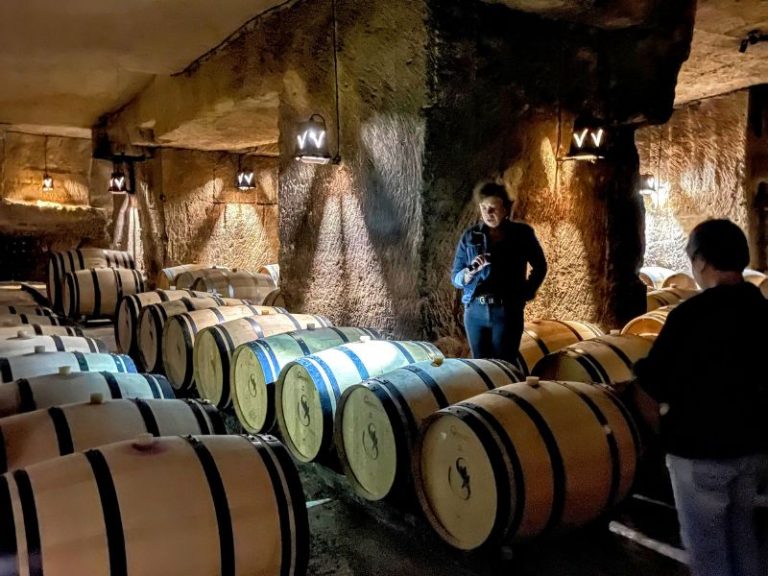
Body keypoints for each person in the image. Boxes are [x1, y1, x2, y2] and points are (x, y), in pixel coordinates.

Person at [632, 218, 768, 576]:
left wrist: (664, 439)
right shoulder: (761, 308)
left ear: (702, 262)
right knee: (743, 537)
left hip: (699, 452)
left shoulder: (689, 316)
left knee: (708, 553)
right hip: (752, 447)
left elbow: (649, 384)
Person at [450, 181, 547, 365]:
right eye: (484, 208)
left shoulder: (522, 234)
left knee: (504, 366)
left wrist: (525, 293)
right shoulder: (470, 236)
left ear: (505, 208)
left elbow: (540, 266)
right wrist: (470, 273)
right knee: (481, 367)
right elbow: (456, 277)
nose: (488, 213)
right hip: (475, 312)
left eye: (493, 208)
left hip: (506, 311)